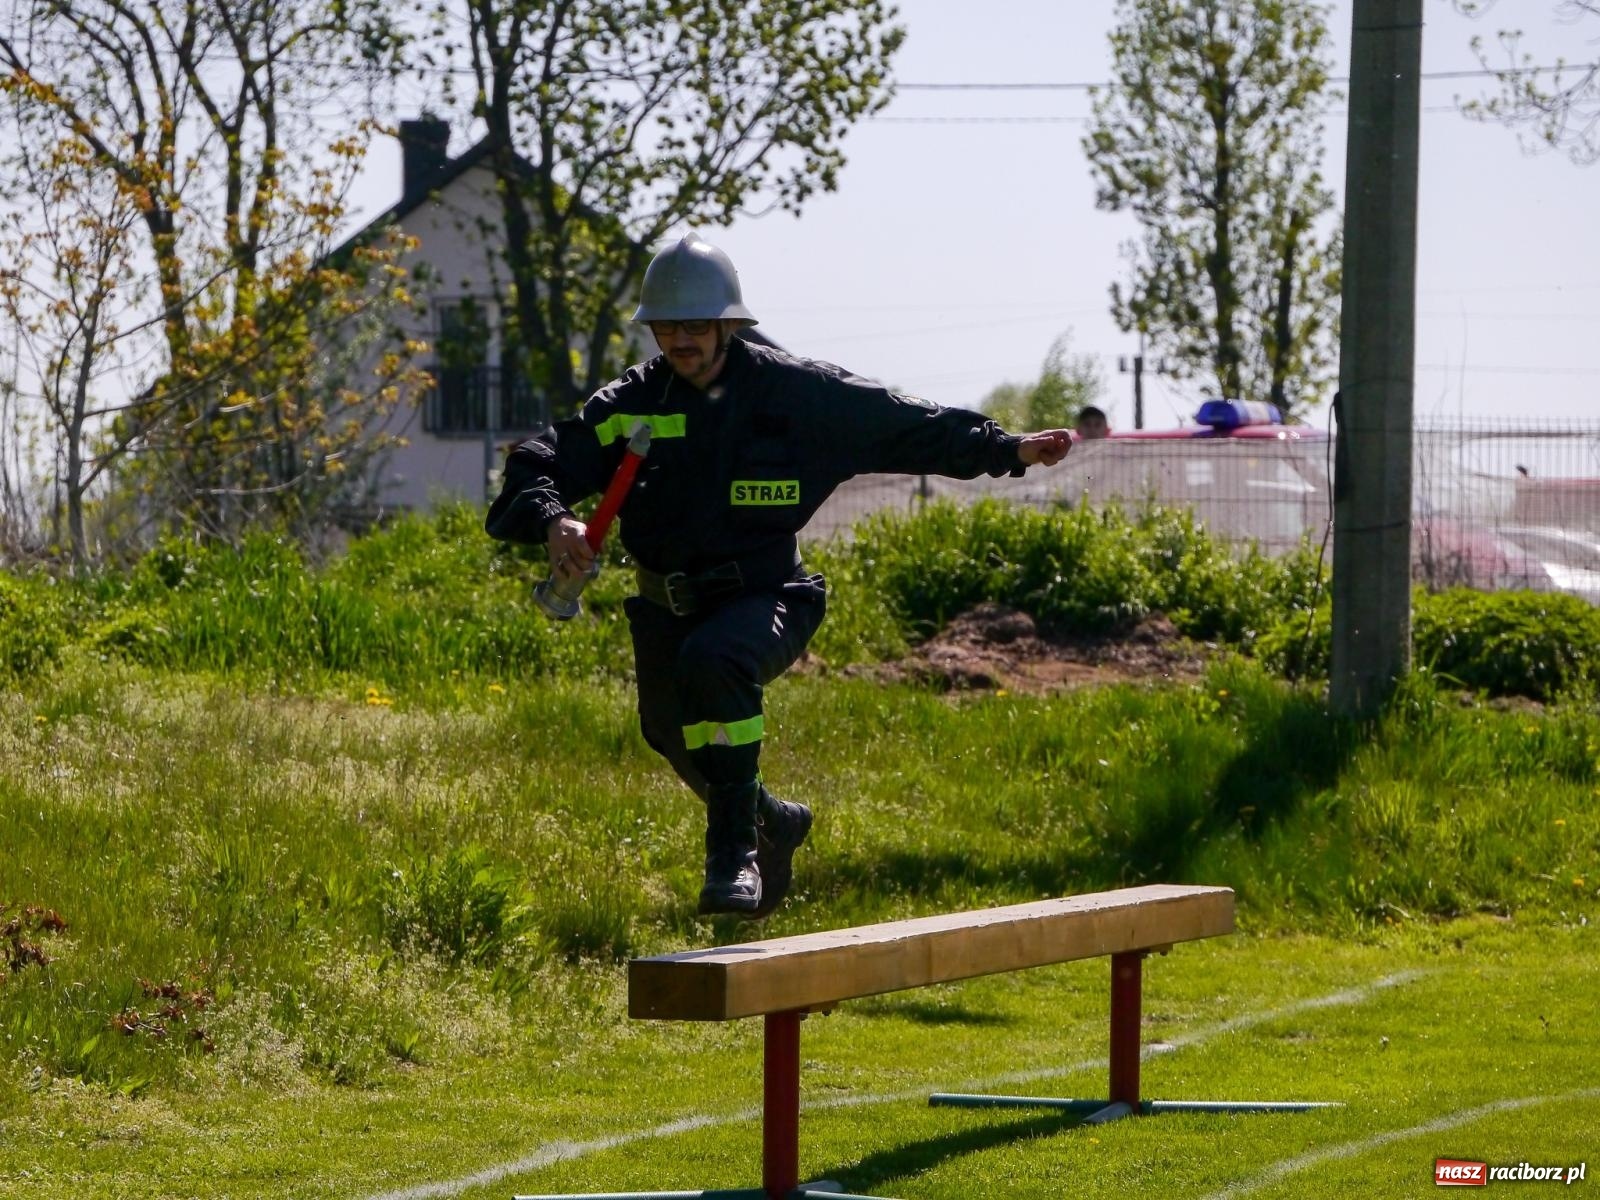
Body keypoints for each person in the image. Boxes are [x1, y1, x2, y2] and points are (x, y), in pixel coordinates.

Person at [486, 234, 1072, 918]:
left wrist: (1008, 449)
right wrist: (555, 520)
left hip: (767, 598)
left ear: (730, 324)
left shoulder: (797, 394)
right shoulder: (631, 403)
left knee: (715, 663)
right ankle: (777, 822)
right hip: (664, 608)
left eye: (696, 325)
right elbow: (538, 464)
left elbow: (905, 423)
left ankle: (733, 858)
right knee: (671, 732)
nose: (680, 340)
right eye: (666, 326)